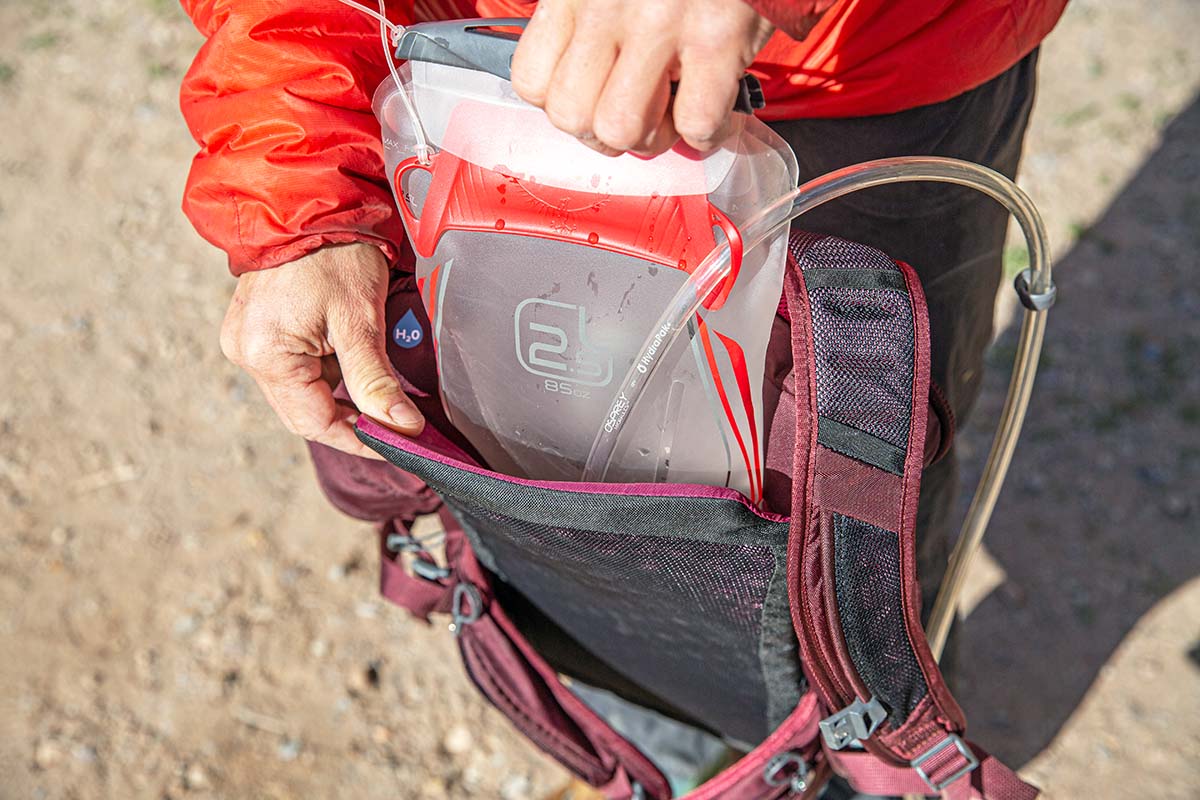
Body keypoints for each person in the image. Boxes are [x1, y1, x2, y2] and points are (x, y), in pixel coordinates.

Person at [179, 0, 1067, 794]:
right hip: (483, 81)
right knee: (563, 499)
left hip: (855, 76)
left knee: (851, 514)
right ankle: (673, 756)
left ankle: (858, 761)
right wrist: (300, 184)